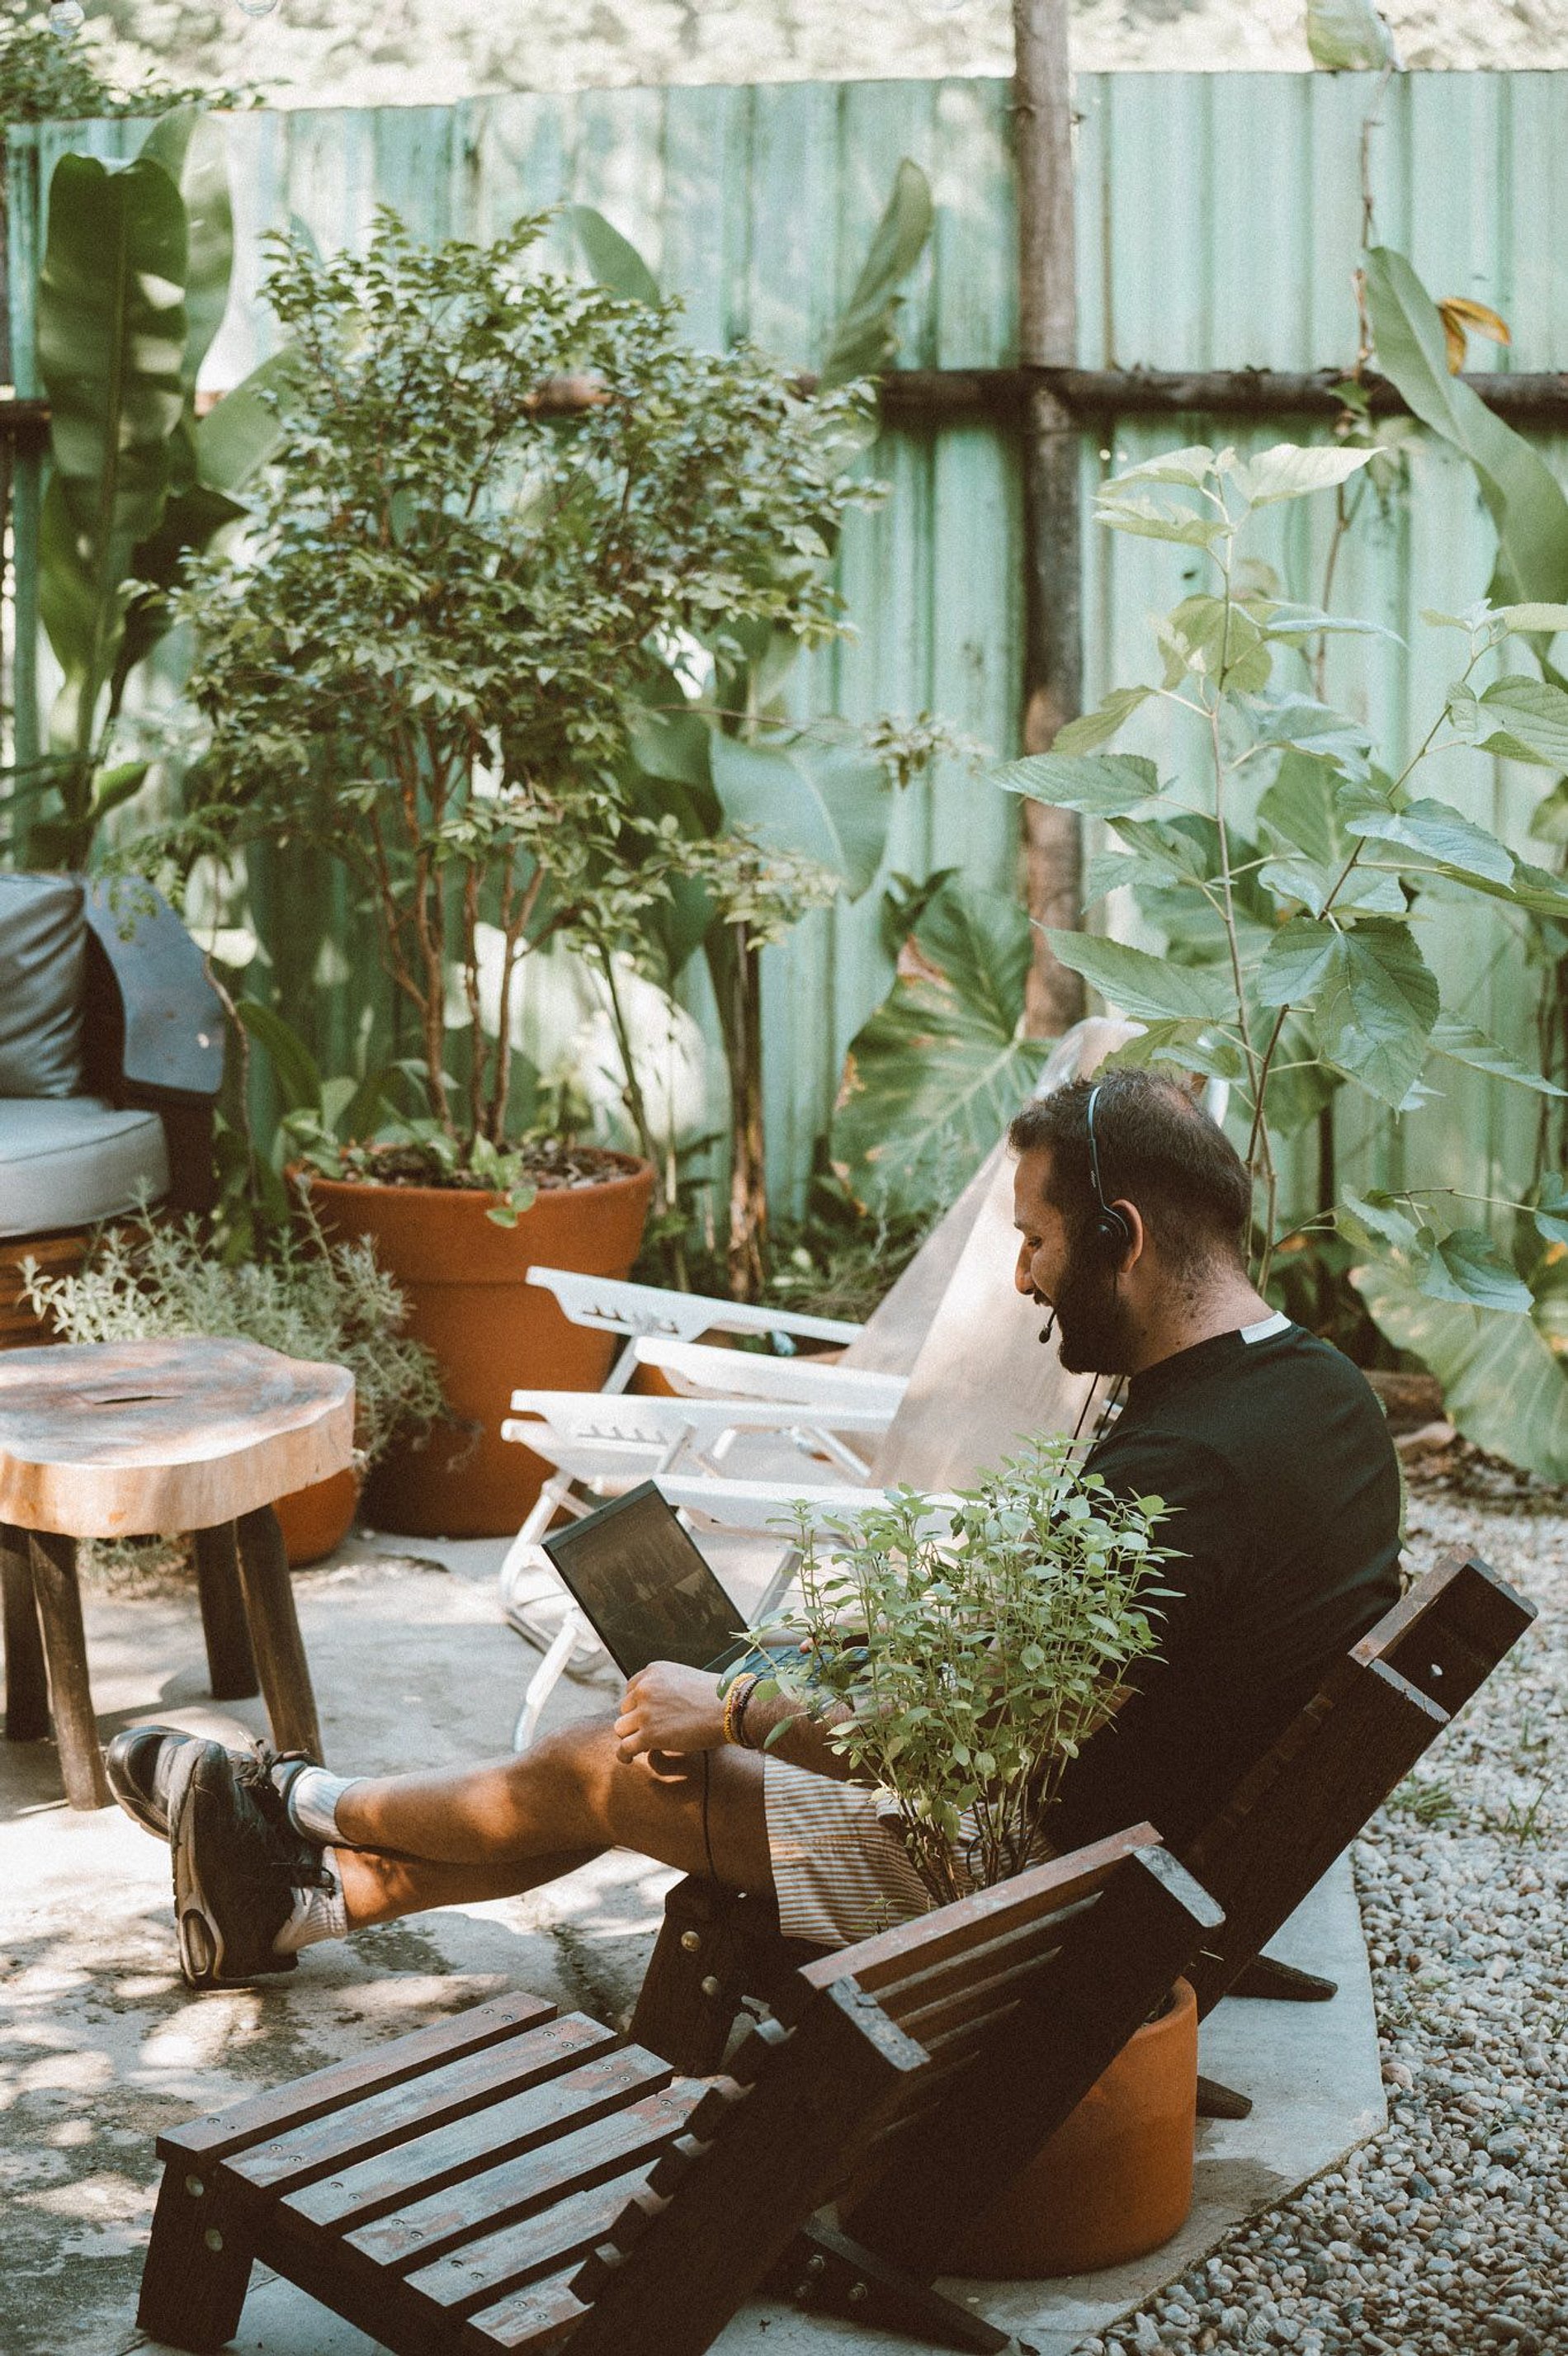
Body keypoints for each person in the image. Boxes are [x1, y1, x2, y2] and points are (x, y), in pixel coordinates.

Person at [106, 1069, 1401, 1989]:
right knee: (678, 1716)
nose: (1024, 1276)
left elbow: (964, 1759)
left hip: (1045, 1886)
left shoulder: (1186, 1465)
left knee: (619, 1765)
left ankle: (293, 1802)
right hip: (1141, 1854)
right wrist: (855, 1660)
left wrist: (731, 1710)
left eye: (1039, 1240)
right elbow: (1122, 1673)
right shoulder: (1325, 1395)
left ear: (1122, 1236)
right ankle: (298, 1903)